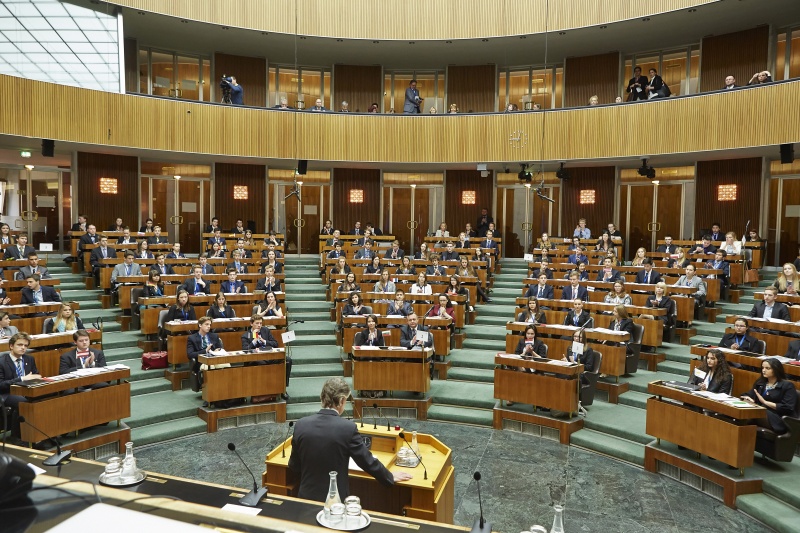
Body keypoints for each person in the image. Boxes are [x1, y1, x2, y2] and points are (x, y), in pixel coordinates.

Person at [288, 377, 412, 501]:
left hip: (305, 498)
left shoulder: (301, 425)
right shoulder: (348, 429)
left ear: (322, 397)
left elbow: (294, 465)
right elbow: (367, 461)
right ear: (341, 401)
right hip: (334, 503)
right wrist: (389, 477)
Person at [0, 332, 40, 441]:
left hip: (27, 390)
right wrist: (22, 379)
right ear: (11, 346)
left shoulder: (29, 359)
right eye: (20, 345)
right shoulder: (2, 361)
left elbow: (35, 374)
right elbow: (1, 385)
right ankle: (17, 437)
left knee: (44, 399)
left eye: (25, 346)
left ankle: (39, 436)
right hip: (7, 393)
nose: (23, 348)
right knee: (22, 403)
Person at [741, 358, 797, 434]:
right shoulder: (761, 382)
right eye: (763, 368)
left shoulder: (787, 386)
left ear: (776, 369)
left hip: (779, 419)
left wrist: (765, 402)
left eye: (767, 368)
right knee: (745, 414)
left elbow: (787, 408)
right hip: (762, 413)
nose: (763, 370)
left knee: (753, 414)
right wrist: (747, 398)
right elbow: (748, 394)